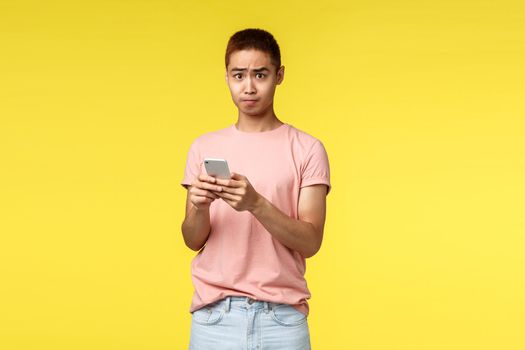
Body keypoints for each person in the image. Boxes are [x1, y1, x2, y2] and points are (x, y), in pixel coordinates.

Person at [181, 28, 331, 350]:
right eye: (239, 75)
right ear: (227, 77)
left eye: (260, 75)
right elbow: (192, 239)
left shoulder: (307, 149)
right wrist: (200, 207)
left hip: (282, 320)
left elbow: (311, 241)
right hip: (214, 318)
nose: (248, 87)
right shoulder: (203, 147)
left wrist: (256, 204)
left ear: (279, 76)